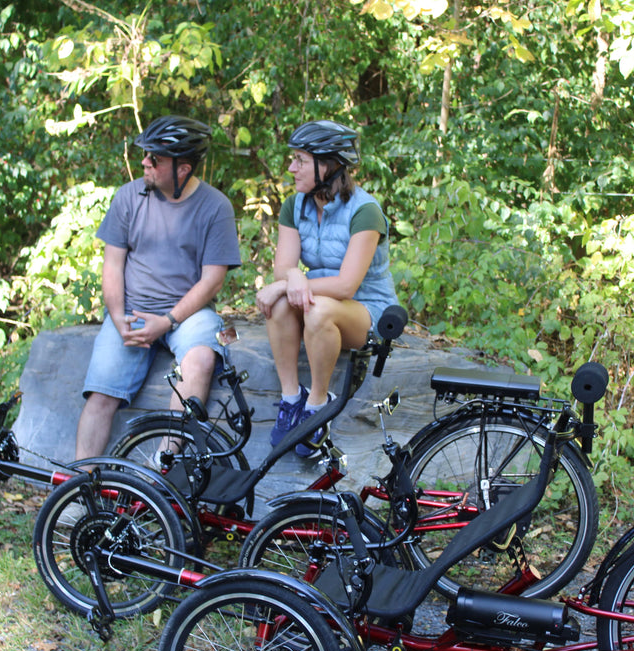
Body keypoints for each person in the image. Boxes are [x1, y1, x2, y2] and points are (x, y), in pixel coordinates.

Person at [75, 115, 241, 463]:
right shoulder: (128, 197)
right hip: (132, 311)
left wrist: (166, 321)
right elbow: (113, 265)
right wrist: (118, 317)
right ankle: (79, 487)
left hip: (189, 315)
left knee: (200, 358)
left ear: (183, 169)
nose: (145, 162)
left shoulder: (216, 207)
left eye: (155, 158)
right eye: (147, 155)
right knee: (100, 396)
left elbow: (212, 280)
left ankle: (162, 470)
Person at [255, 120, 399, 457]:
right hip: (317, 299)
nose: (292, 168)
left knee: (315, 309)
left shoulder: (365, 212)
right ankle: (291, 399)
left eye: (301, 160)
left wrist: (294, 281)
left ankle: (318, 406)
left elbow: (347, 284)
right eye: (293, 159)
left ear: (330, 165)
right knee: (278, 305)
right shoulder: (295, 206)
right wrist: (290, 280)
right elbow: (284, 266)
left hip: (365, 309)